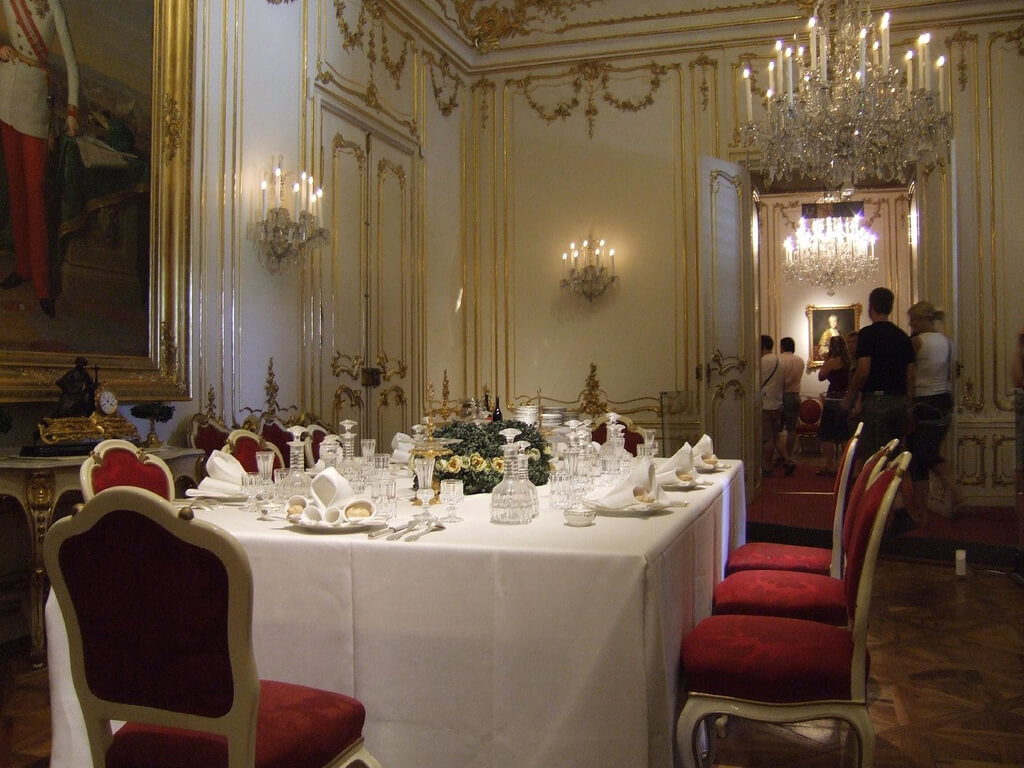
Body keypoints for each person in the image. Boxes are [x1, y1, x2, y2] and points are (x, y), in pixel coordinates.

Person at [0, 0, 80, 319]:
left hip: (34, 106)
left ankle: (43, 286)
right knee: (17, 190)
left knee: (35, 192)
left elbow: (72, 62)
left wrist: (72, 109)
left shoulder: (53, 6)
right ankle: (22, 268)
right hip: (5, 99)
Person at [841, 287, 915, 464]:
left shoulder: (867, 334)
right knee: (894, 458)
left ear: (871, 307)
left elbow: (863, 371)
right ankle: (894, 492)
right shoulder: (903, 336)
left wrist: (849, 397)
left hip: (875, 403)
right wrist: (909, 404)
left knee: (874, 459)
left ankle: (875, 492)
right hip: (899, 401)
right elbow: (911, 375)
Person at [905, 301, 962, 527]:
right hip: (943, 400)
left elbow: (909, 374)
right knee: (920, 456)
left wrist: (908, 404)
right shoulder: (948, 343)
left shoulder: (916, 342)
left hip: (922, 401)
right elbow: (950, 374)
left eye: (913, 320)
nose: (911, 324)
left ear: (920, 320)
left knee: (923, 454)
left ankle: (955, 493)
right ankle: (922, 511)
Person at [816, 334, 852, 475]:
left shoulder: (832, 361)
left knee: (827, 435)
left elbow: (821, 377)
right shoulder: (849, 361)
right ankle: (845, 466)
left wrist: (826, 361)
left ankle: (830, 465)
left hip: (832, 399)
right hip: (846, 397)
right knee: (844, 434)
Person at [760, 334, 788, 477]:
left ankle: (767, 466)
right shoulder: (779, 361)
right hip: (777, 403)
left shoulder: (762, 362)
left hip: (765, 403)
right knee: (776, 436)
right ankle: (788, 460)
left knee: (767, 438)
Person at [778, 336, 804, 475]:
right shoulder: (799, 360)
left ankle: (784, 457)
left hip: (782, 395)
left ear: (782, 346)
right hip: (795, 395)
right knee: (792, 428)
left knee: (777, 429)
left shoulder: (780, 359)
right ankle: (789, 455)